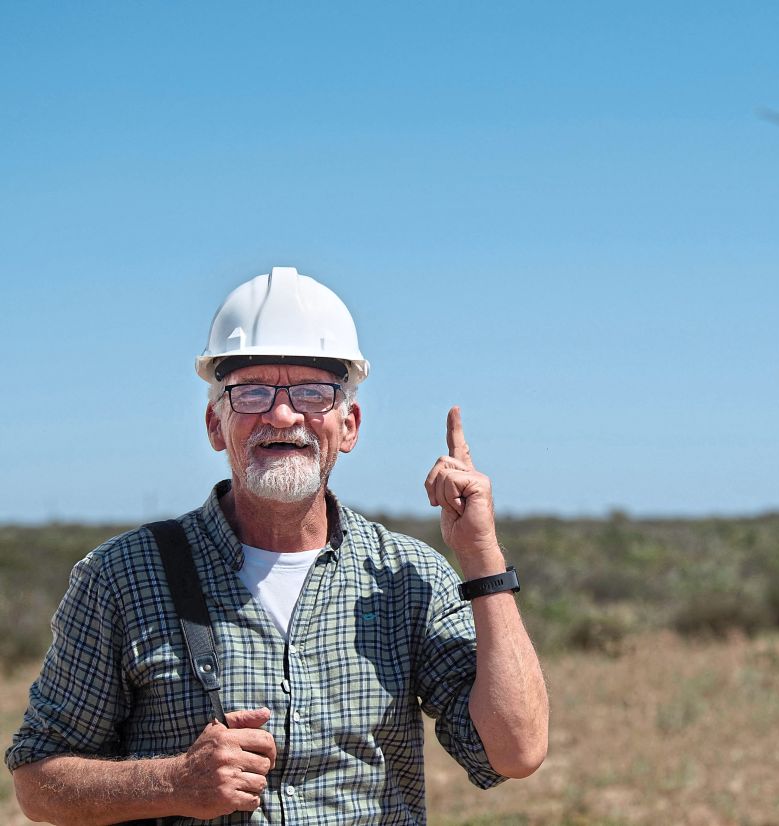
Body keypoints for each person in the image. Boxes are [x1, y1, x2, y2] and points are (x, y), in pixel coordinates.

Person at [7, 266, 548, 825]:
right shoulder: (121, 577)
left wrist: (481, 555)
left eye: (313, 393)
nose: (283, 414)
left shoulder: (408, 577)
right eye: (252, 393)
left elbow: (515, 752)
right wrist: (172, 783)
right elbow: (38, 781)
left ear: (350, 425)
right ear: (216, 426)